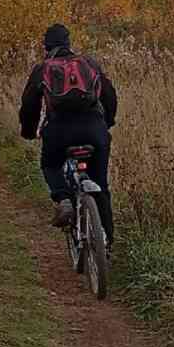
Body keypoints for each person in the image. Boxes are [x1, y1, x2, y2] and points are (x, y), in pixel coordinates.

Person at [18, 23, 118, 246]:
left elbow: (29, 105)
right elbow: (109, 95)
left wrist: (28, 131)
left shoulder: (42, 69)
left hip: (59, 131)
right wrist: (107, 122)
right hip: (94, 129)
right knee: (100, 184)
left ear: (46, 46)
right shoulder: (88, 63)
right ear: (68, 42)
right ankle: (107, 242)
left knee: (50, 165)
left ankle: (63, 198)